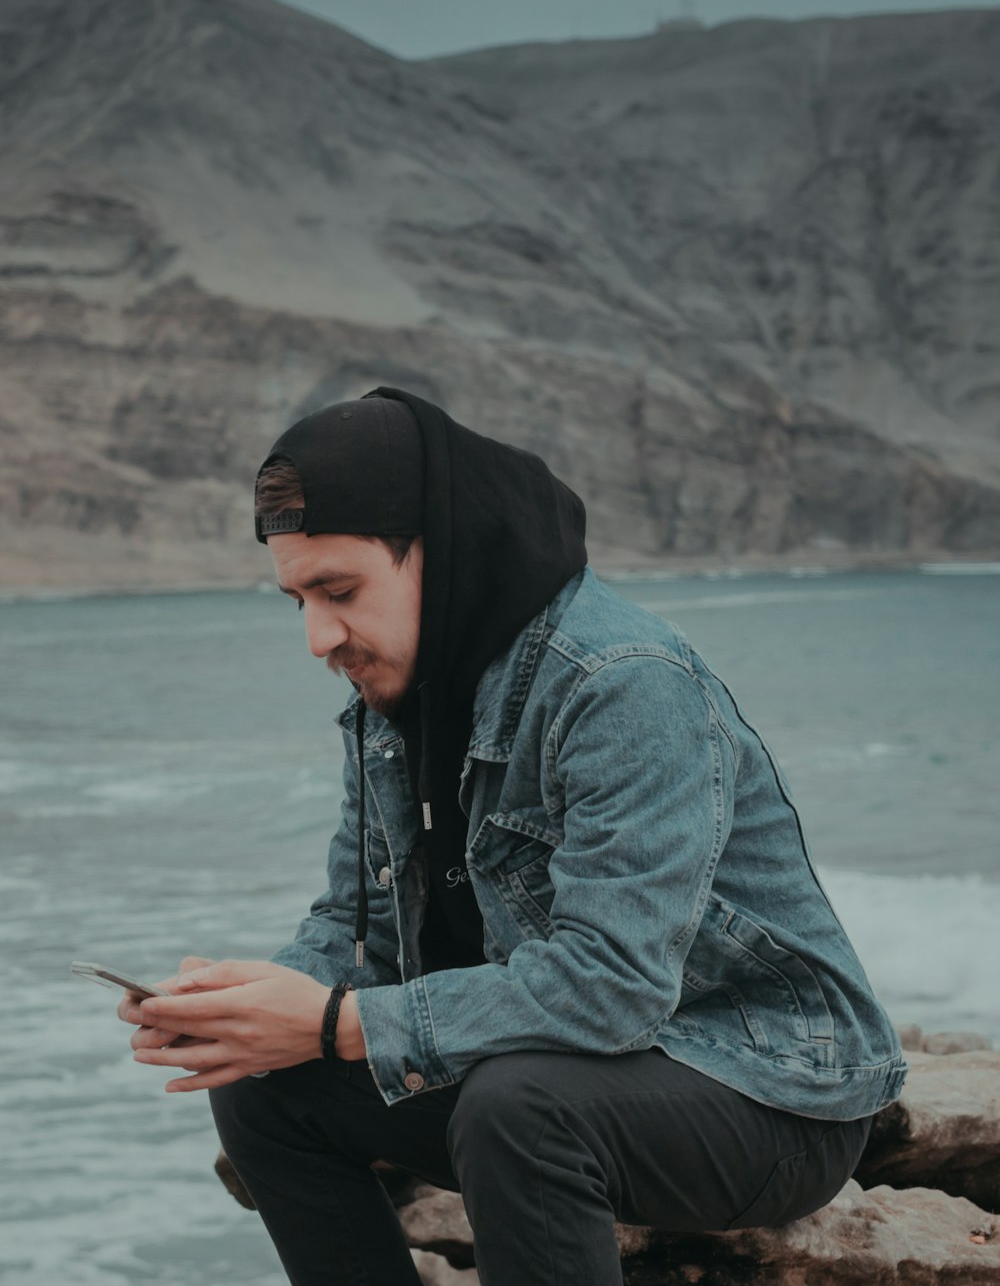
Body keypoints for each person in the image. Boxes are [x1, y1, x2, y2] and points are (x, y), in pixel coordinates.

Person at [120, 387, 907, 1286]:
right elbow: (355, 922)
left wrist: (338, 1024)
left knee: (517, 1104)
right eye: (297, 598)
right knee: (260, 1083)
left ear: (442, 553)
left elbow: (610, 987)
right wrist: (238, 1004)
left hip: (768, 1097)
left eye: (339, 592)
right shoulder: (391, 699)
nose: (316, 637)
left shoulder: (621, 683)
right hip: (562, 1080)